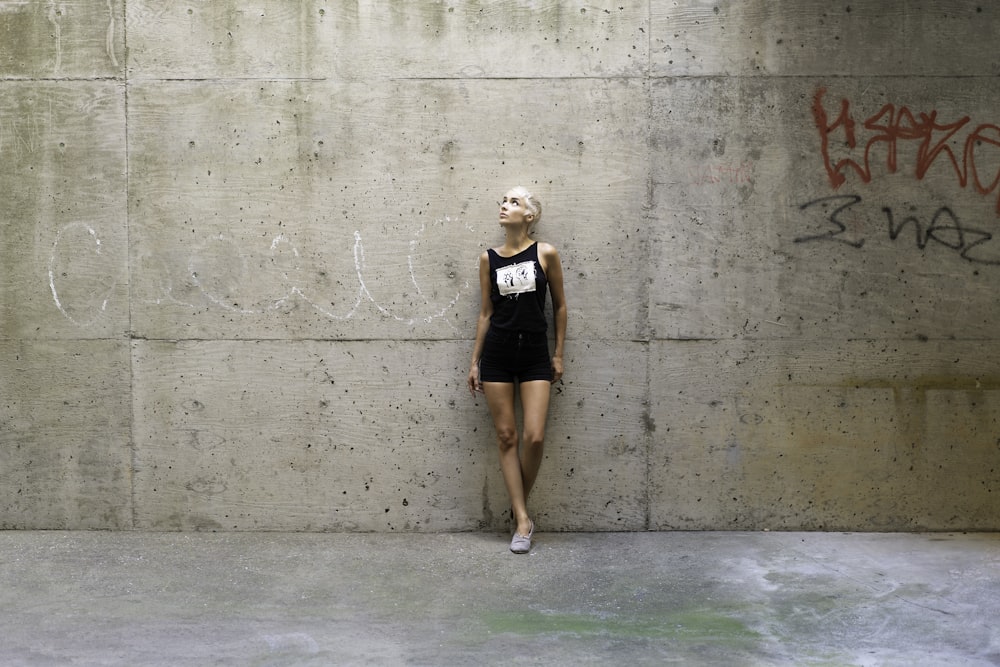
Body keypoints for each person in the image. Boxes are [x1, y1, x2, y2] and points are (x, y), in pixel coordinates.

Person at [467, 186, 566, 554]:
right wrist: (474, 362)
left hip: (535, 355)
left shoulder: (546, 253)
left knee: (534, 437)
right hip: (498, 353)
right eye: (503, 201)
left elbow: (559, 308)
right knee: (507, 436)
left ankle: (517, 503)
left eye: (513, 202)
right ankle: (522, 521)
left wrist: (558, 355)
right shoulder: (487, 259)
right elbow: (485, 314)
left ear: (530, 215)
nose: (504, 206)